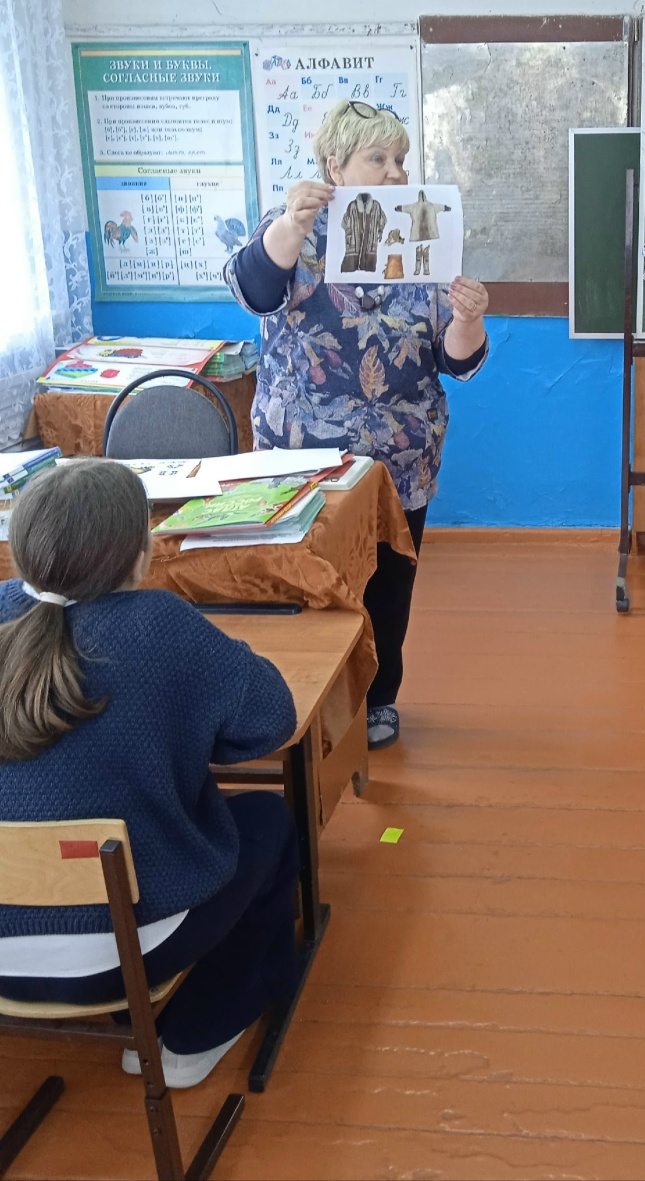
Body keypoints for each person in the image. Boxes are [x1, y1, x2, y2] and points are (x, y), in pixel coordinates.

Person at [0, 461, 299, 1089]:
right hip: (128, 952)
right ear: (142, 554)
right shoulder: (161, 622)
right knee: (267, 818)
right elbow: (271, 721)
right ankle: (193, 1035)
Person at [225, 100, 490, 751]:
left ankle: (377, 697)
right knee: (302, 580)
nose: (396, 171)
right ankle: (296, 697)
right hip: (302, 459)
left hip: (400, 457)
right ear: (334, 166)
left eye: (401, 159)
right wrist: (291, 223)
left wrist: (468, 318)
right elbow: (253, 288)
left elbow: (456, 361)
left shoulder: (423, 236)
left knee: (389, 586)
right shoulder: (293, 231)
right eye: (379, 158)